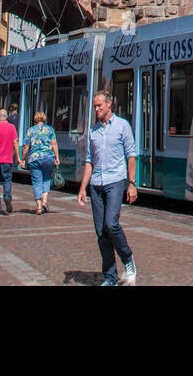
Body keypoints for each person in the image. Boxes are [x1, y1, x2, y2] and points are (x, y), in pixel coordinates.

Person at [77, 91, 137, 287]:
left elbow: (131, 155)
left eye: (99, 106)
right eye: (94, 106)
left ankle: (127, 258)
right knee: (101, 233)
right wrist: (83, 188)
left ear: (109, 104)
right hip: (96, 184)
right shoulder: (93, 131)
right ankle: (110, 277)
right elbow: (89, 161)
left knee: (111, 224)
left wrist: (132, 183)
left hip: (115, 181)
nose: (96, 110)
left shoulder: (122, 126)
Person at [21, 111, 60, 216]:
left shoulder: (31, 130)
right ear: (44, 119)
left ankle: (38, 207)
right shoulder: (50, 129)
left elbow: (26, 146)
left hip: (34, 159)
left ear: (35, 119)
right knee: (46, 179)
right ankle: (45, 201)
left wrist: (23, 158)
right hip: (48, 158)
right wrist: (57, 157)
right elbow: (54, 144)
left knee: (36, 181)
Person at [0, 108, 19, 215]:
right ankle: (7, 196)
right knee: (7, 180)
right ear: (7, 116)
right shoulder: (12, 128)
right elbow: (15, 143)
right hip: (7, 159)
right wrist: (18, 157)